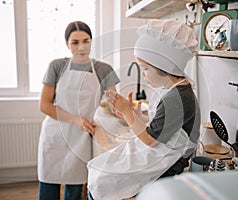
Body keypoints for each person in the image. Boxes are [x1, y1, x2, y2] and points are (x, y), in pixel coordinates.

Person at [86, 19, 200, 200]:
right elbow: (163, 128)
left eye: (145, 69)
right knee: (100, 170)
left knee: (102, 178)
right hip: (158, 154)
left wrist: (129, 114)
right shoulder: (175, 90)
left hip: (166, 167)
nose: (144, 76)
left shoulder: (176, 99)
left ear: (165, 66)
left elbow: (150, 140)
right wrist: (137, 116)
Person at [37, 21, 120, 200]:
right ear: (67, 44)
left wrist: (122, 107)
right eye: (75, 42)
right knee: (48, 187)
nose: (81, 46)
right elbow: (45, 105)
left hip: (82, 138)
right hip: (55, 134)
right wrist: (75, 120)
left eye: (86, 41)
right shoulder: (56, 66)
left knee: (74, 190)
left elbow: (111, 106)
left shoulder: (103, 69)